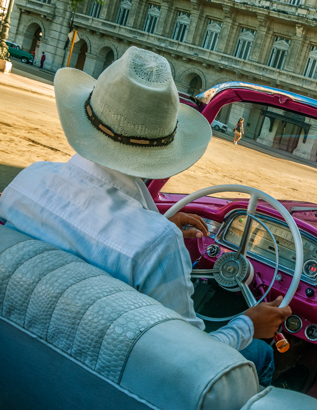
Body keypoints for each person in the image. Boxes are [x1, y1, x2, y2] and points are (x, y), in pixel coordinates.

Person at [0, 47, 289, 386]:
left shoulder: (27, 181)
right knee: (263, 354)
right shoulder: (156, 245)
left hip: (19, 355)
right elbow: (189, 358)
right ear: (164, 147)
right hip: (104, 379)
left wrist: (157, 224)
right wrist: (249, 326)